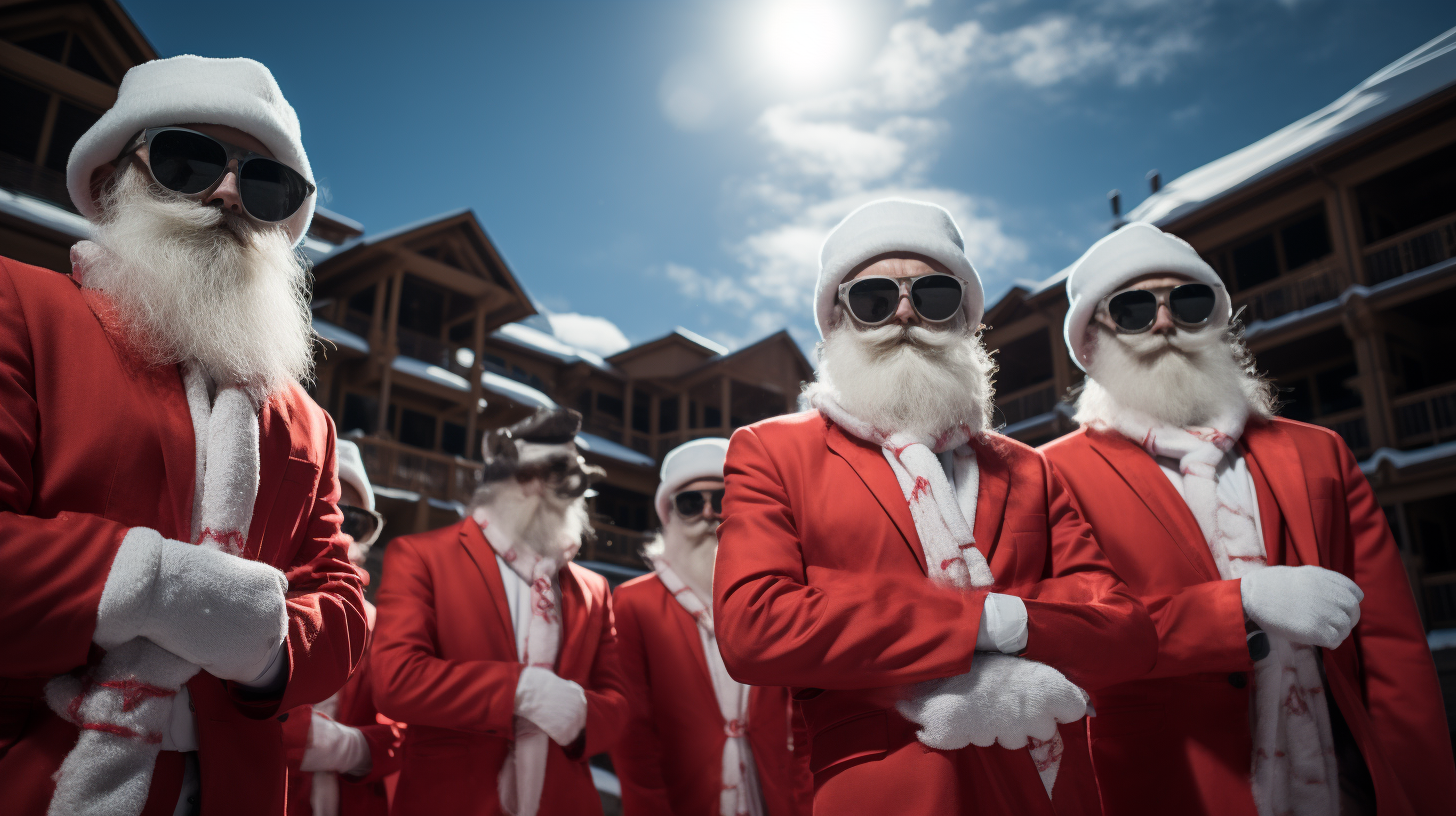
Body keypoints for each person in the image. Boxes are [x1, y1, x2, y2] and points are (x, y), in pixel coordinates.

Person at [0, 56, 367, 816]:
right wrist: (162, 589)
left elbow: (344, 602)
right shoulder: (19, 308)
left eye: (265, 184)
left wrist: (265, 641)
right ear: (113, 181)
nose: (228, 192)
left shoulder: (308, 422)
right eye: (186, 159)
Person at [712, 198, 1157, 815]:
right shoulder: (772, 451)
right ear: (837, 321)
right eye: (873, 299)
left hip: (1049, 790)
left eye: (933, 295)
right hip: (889, 793)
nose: (903, 313)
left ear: (965, 320)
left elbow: (1127, 632)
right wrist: (983, 626)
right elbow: (755, 627)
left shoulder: (1028, 468)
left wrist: (1022, 626)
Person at [1040, 221, 1456, 816]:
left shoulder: (1319, 453)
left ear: (1215, 321)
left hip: (1341, 785)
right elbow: (1070, 633)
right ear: (1089, 345)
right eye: (1132, 309)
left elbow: (1390, 648)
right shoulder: (1051, 473)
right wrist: (1240, 607)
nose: (1164, 322)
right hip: (1171, 785)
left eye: (1188, 301)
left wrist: (1422, 793)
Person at [371, 407, 629, 816]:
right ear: (510, 480)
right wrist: (521, 690)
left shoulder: (593, 589)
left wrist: (579, 715)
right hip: (451, 801)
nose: (554, 493)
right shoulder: (423, 558)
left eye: (568, 480)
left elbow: (616, 706)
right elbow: (396, 681)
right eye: (544, 475)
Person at [611, 438, 812, 816]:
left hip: (772, 794)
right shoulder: (632, 603)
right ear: (668, 513)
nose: (707, 514)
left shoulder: (772, 597)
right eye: (690, 503)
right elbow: (632, 734)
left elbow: (800, 719)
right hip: (684, 797)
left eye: (719, 500)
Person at [282, 439, 404, 816]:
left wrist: (352, 748)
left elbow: (406, 730)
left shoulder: (381, 628)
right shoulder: (265, 605)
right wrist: (304, 737)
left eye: (355, 522)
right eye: (330, 513)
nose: (341, 532)